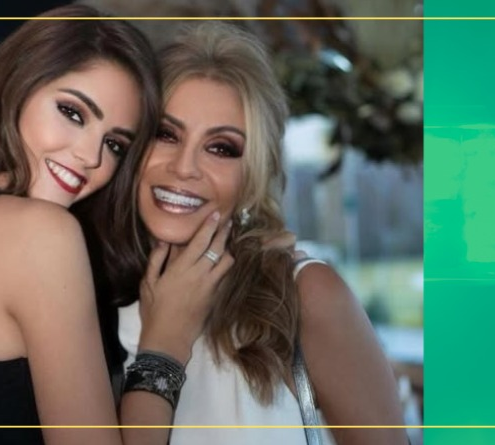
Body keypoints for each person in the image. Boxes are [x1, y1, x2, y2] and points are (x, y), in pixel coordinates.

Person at [0, 6, 233, 445]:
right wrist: (164, 347)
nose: (91, 157)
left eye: (114, 144)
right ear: (18, 86)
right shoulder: (41, 234)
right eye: (72, 112)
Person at [97, 22, 408, 445]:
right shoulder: (87, 295)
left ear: (253, 177)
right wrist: (162, 344)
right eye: (165, 134)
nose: (184, 168)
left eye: (221, 148)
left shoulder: (304, 295)